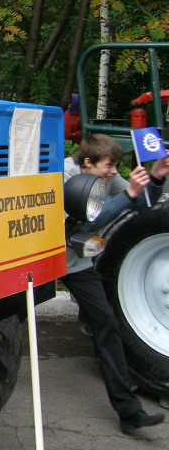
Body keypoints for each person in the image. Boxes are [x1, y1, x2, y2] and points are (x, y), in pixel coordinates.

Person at [63, 133, 168, 434]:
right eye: (109, 166)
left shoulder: (107, 178)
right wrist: (129, 193)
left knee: (107, 324)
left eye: (115, 167)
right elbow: (85, 222)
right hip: (42, 259)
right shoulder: (62, 176)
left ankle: (129, 412)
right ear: (87, 162)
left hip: (77, 263)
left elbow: (143, 206)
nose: (113, 173)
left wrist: (156, 177)